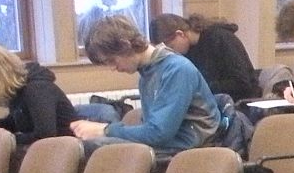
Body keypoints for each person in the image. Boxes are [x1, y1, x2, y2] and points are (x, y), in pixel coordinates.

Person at [70, 14, 237, 153]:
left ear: (125, 46)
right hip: (171, 148)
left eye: (112, 60)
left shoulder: (177, 69)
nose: (113, 68)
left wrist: (104, 130)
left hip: (191, 152)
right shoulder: (148, 74)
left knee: (97, 148)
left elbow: (158, 133)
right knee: (90, 147)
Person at [0, 44, 77, 148]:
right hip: (46, 150)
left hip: (64, 150)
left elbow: (45, 135)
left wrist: (3, 138)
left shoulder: (37, 89)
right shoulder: (18, 88)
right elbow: (17, 122)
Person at [150, 13, 261, 102]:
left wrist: (201, 87)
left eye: (172, 47)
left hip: (240, 103)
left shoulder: (221, 38)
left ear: (180, 34)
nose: (172, 54)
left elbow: (242, 83)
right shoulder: (188, 51)